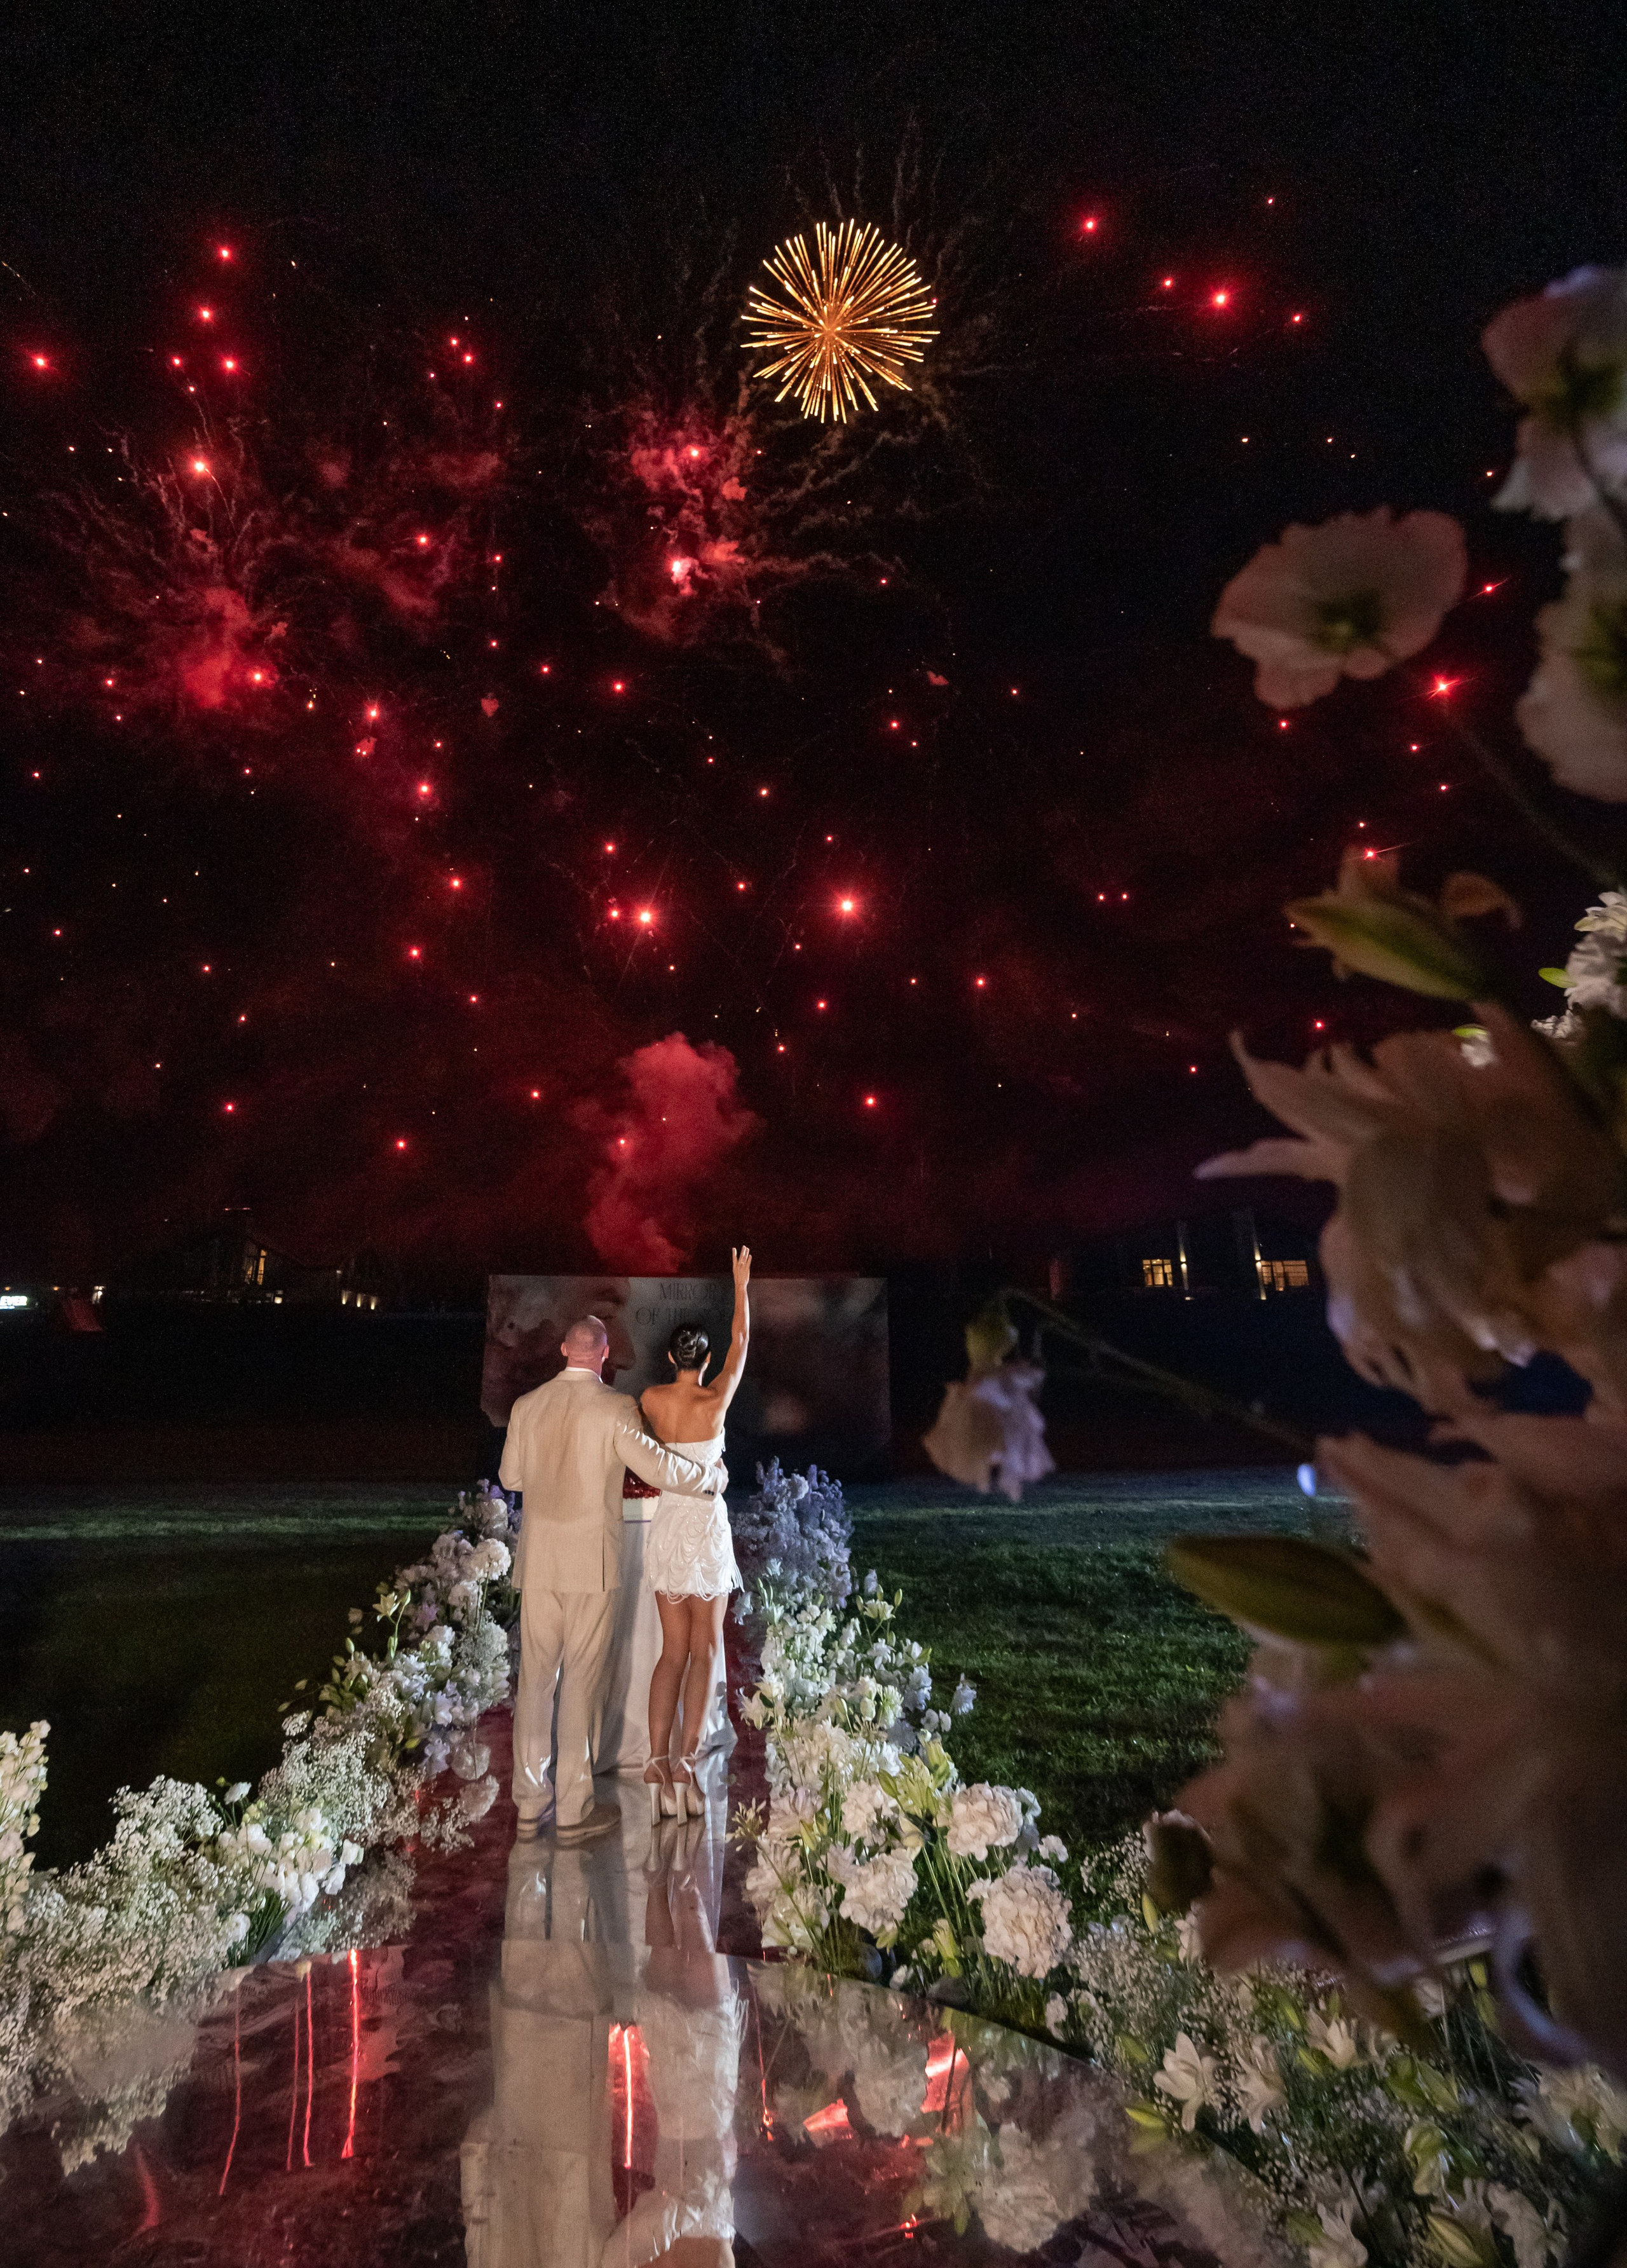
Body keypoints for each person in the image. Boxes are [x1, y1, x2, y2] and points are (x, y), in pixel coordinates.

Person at [499, 1315, 726, 1845]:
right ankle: (574, 1809)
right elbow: (658, 1468)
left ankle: (529, 1804)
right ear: (603, 1355)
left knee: (535, 1683)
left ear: (563, 1350)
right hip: (591, 1565)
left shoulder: (527, 1406)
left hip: (539, 1563)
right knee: (580, 1683)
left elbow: (511, 1477)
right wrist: (709, 1480)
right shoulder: (614, 1407)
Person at [638, 1247, 751, 1823]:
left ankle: (657, 1766)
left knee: (672, 1651)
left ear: (668, 1357)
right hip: (705, 1528)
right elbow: (742, 1342)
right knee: (705, 1649)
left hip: (669, 1524)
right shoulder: (716, 1397)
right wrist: (740, 1287)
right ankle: (686, 1765)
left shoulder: (652, 1399)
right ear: (705, 1360)